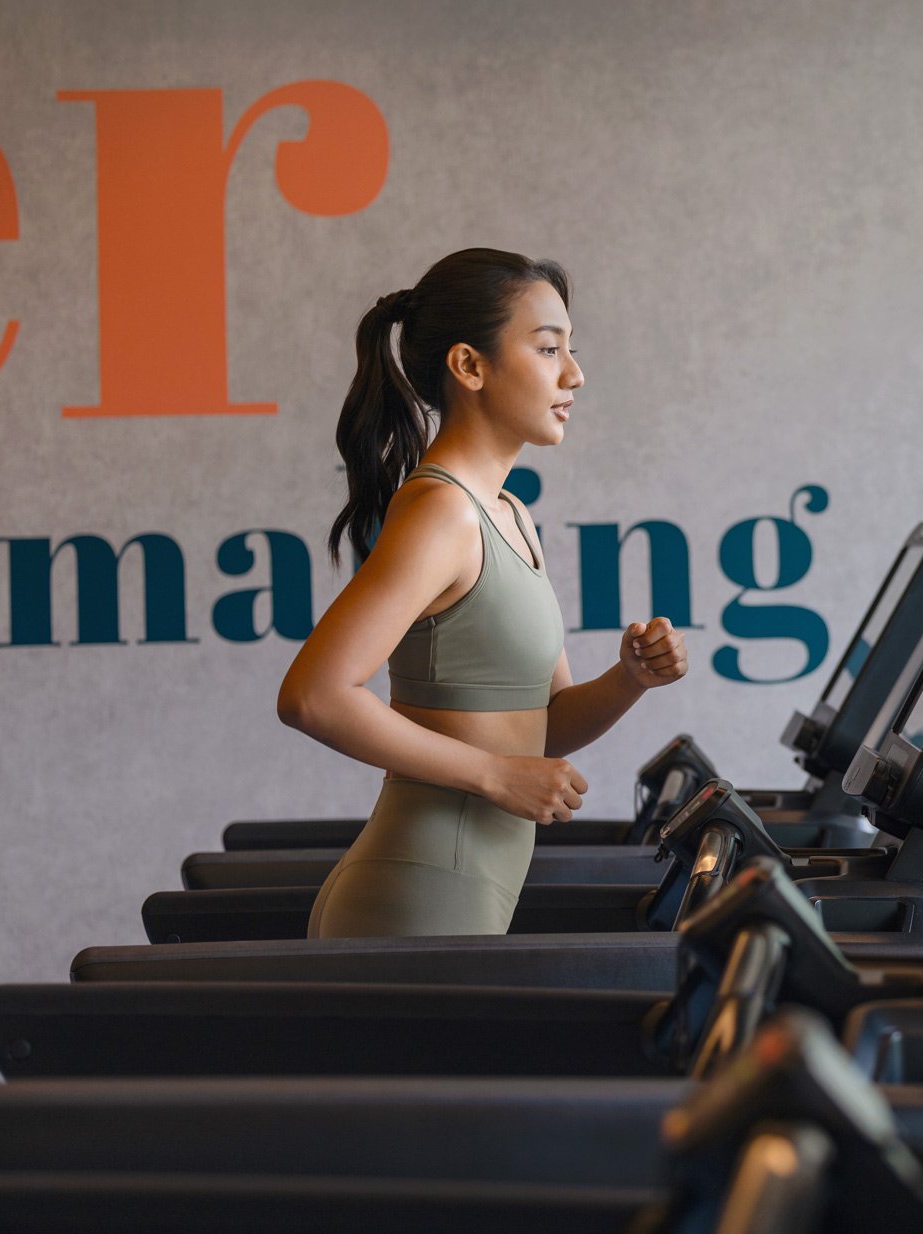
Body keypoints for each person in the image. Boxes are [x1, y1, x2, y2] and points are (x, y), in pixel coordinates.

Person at [279, 248, 688, 937]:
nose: (574, 374)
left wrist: (629, 680)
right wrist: (495, 775)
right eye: (549, 348)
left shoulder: (508, 514)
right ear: (469, 366)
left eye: (572, 350)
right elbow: (313, 696)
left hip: (454, 890)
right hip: (417, 896)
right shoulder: (443, 514)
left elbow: (544, 726)